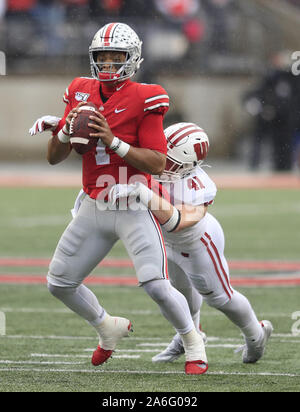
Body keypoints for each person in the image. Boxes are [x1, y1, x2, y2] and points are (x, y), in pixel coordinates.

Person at [29, 22, 208, 375]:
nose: (108, 64)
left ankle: (193, 341)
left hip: (131, 202)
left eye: (116, 57)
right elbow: (54, 158)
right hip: (95, 202)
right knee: (59, 283)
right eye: (102, 57)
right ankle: (106, 326)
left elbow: (157, 161)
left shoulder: (146, 96)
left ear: (133, 58)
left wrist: (113, 141)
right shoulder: (80, 90)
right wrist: (63, 132)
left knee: (156, 284)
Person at [110, 121, 273, 364]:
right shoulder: (156, 163)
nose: (162, 161)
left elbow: (178, 222)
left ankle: (255, 334)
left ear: (188, 163)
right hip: (165, 242)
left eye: (169, 157)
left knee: (220, 297)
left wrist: (144, 194)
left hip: (197, 244)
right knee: (177, 294)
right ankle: (190, 337)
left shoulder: (199, 186)